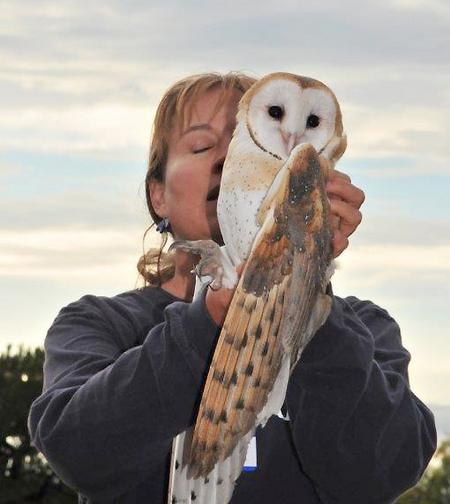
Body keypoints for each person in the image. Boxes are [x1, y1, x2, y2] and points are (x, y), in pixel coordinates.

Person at [28, 72, 436, 504]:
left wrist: (308, 297)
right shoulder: (101, 324)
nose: (227, 159)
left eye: (245, 141)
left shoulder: (363, 328)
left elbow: (388, 468)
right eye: (202, 146)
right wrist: (205, 326)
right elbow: (78, 449)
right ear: (157, 195)